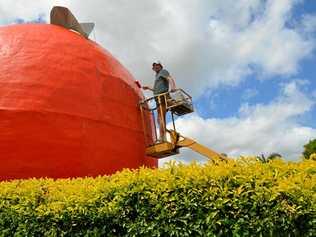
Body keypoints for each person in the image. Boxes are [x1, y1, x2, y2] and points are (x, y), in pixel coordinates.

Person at [142, 62, 176, 142]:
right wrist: (149, 88)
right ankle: (162, 137)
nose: (155, 67)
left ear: (161, 66)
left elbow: (169, 78)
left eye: (157, 65)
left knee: (160, 118)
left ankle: (162, 137)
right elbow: (156, 89)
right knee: (159, 118)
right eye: (154, 66)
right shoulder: (157, 76)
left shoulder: (163, 72)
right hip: (158, 99)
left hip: (163, 97)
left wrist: (173, 87)